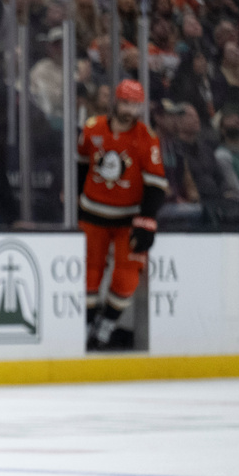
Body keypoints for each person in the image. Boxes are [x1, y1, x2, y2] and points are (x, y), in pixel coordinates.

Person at [77, 80, 168, 350]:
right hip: (92, 214)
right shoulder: (92, 128)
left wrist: (147, 221)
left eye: (135, 104)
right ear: (115, 102)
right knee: (88, 276)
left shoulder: (146, 137)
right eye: (126, 102)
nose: (130, 109)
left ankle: (105, 325)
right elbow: (80, 166)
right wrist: (75, 206)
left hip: (128, 218)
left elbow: (156, 184)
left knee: (126, 277)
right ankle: (86, 326)